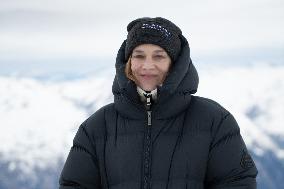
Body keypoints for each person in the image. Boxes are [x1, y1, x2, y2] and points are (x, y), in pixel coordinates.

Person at [59, 17, 258, 189]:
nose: (147, 66)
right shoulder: (96, 127)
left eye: (159, 56)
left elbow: (238, 182)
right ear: (128, 62)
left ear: (175, 64)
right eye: (138, 56)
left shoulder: (215, 121)